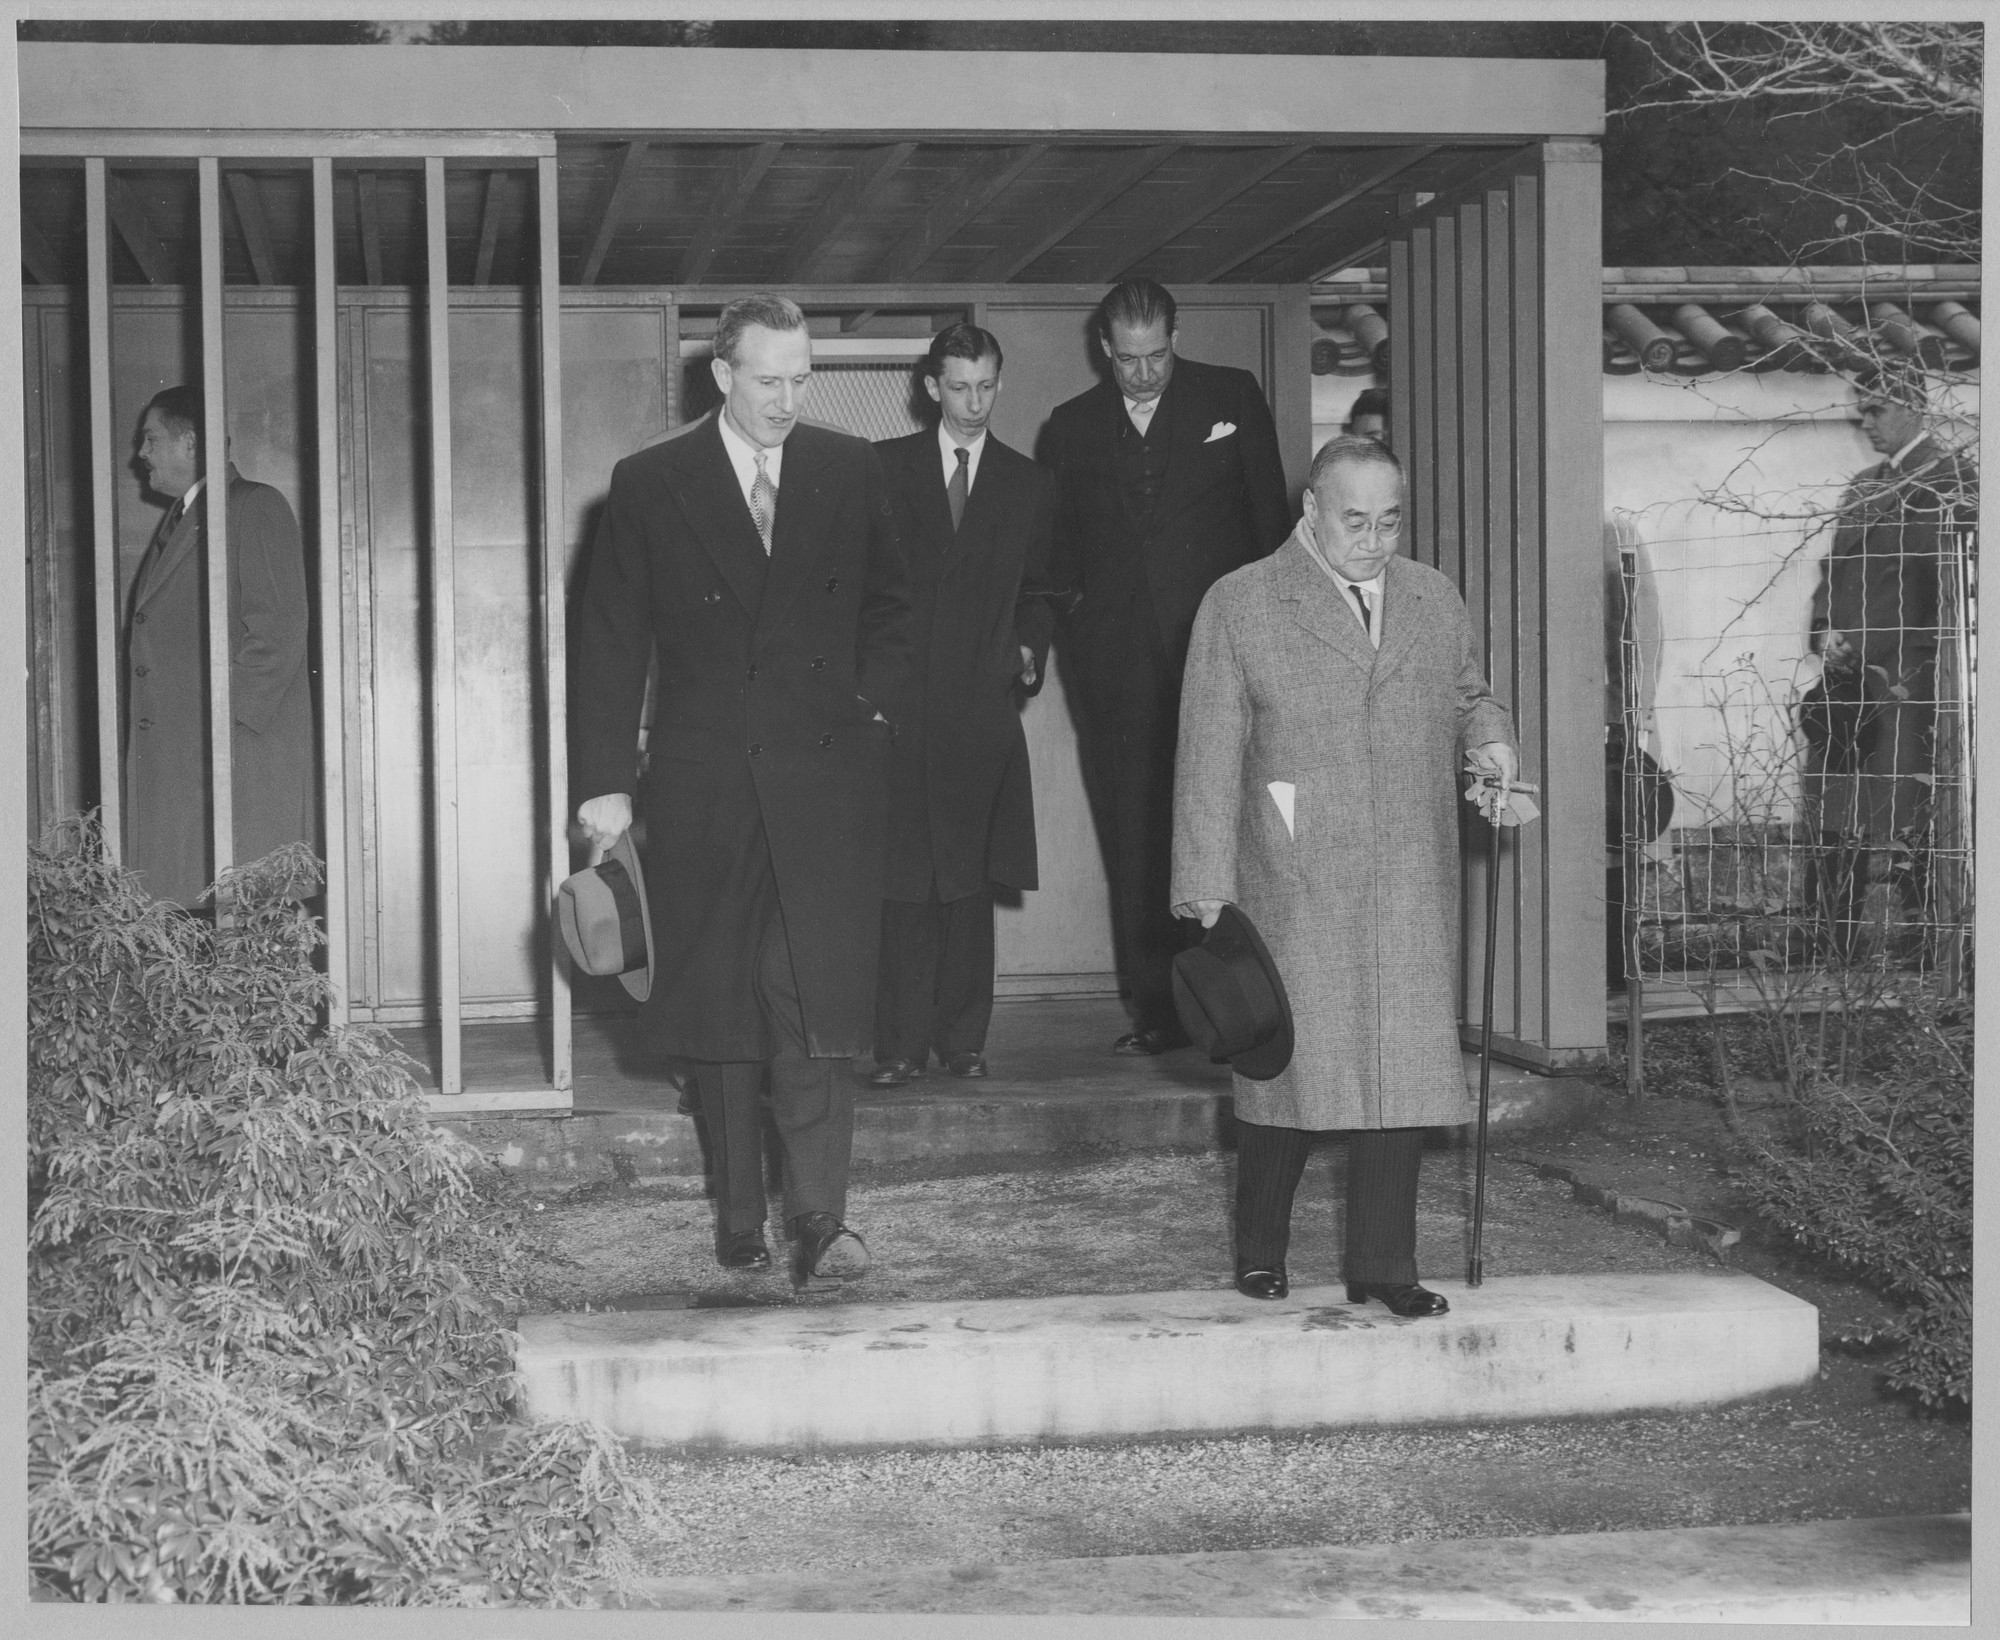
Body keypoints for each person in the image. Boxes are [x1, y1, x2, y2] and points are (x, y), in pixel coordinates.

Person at [573, 293, 913, 1285]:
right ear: (720, 375)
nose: (786, 398)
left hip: (823, 780)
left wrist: (871, 712)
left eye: (801, 378)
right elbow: (609, 639)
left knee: (810, 991)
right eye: (768, 379)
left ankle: (818, 1217)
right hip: (703, 783)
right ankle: (735, 1211)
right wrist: (603, 786)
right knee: (720, 1005)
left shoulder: (850, 471)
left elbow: (893, 612)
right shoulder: (650, 483)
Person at [1172, 435, 1518, 1316]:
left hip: (1407, 867)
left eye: (1389, 520)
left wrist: (1490, 742)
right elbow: (1208, 753)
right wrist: (1204, 885)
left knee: (1398, 1073)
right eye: (1355, 521)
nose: (1374, 539)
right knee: (1287, 1064)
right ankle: (1261, 1250)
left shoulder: (1433, 599)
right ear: (1311, 512)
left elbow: (1467, 695)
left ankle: (1384, 1266)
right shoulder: (1242, 603)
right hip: (1291, 869)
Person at [1044, 276, 1291, 1055]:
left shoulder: (1233, 397)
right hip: (1114, 666)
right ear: (1104, 351)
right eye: (1127, 360)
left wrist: (1272, 641)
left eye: (1155, 356)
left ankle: (1237, 1005)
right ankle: (1158, 1010)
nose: (1144, 374)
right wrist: (1078, 629)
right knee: (1135, 827)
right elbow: (1057, 553)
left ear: (1175, 340)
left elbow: (1270, 529)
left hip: (1219, 655)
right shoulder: (1070, 428)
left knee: (1224, 824)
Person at [867, 325, 1057, 1087]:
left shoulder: (1028, 482)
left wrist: (1029, 645)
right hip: (900, 707)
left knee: (970, 883)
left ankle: (964, 1040)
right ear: (930, 387)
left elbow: (1044, 588)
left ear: (998, 384)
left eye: (986, 386)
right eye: (959, 387)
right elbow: (861, 589)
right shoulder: (881, 469)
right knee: (903, 884)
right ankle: (897, 1046)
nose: (973, 403)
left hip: (980, 706)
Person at [1799, 368, 1973, 960]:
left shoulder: (1954, 482)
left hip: (1913, 676)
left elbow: (1944, 587)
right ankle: (1830, 940)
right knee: (1833, 803)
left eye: (1876, 410)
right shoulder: (1864, 485)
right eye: (1860, 412)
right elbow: (1833, 572)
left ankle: (1924, 940)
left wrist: (1869, 643)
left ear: (1915, 408)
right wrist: (1825, 633)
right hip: (1848, 679)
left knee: (1908, 807)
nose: (1865, 422)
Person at [123, 385, 315, 909]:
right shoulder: (186, 518)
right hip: (193, 772)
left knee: (243, 937)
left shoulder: (254, 506)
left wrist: (214, 730)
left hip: (234, 769)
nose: (140, 454)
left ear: (190, 443)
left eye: (150, 439)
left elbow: (278, 633)